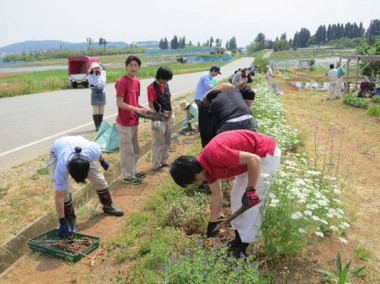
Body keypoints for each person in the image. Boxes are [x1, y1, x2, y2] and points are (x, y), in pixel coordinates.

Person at [170, 130, 281, 258]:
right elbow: (217, 195)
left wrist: (251, 190)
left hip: (265, 155)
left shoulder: (214, 154)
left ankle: (247, 246)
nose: (196, 182)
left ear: (192, 173)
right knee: (236, 198)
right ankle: (239, 239)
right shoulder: (206, 171)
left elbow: (254, 160)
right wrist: (212, 222)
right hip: (249, 163)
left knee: (252, 205)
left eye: (193, 180)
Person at [48, 135, 124, 238]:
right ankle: (69, 219)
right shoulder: (62, 167)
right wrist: (62, 221)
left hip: (80, 149)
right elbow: (59, 195)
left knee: (99, 180)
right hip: (57, 153)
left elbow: (98, 153)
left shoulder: (92, 151)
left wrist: (102, 161)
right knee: (65, 192)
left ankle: (108, 205)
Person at [115, 56, 149, 185]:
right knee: (127, 150)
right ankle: (127, 175)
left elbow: (134, 102)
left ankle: (133, 171)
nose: (133, 67)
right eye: (130, 65)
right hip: (124, 122)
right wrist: (136, 109)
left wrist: (144, 109)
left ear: (139, 67)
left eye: (136, 65)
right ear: (126, 66)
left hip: (133, 120)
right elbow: (119, 103)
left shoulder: (137, 81)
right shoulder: (122, 81)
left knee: (135, 149)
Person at [147, 66, 174, 171]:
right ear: (160, 77)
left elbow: (168, 100)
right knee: (158, 142)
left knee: (167, 141)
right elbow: (151, 104)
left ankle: (163, 161)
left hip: (167, 117)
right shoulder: (152, 88)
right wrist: (155, 119)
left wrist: (171, 114)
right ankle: (156, 165)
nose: (166, 81)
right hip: (158, 119)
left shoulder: (166, 85)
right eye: (165, 79)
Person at [87, 62, 107, 131]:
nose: (96, 69)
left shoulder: (103, 73)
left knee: (101, 110)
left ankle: (100, 125)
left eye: (97, 68)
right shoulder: (90, 76)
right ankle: (97, 126)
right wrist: (96, 77)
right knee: (95, 110)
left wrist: (98, 77)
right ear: (92, 69)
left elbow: (102, 84)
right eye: (94, 68)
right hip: (94, 93)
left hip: (102, 93)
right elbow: (93, 84)